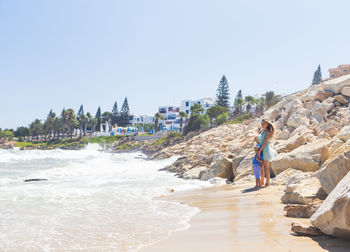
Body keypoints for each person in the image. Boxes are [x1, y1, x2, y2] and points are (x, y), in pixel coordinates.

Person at [256, 119, 277, 186]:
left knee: (266, 167)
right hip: (260, 149)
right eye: (262, 123)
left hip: (265, 150)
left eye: (264, 123)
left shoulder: (267, 132)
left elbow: (265, 143)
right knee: (261, 167)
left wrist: (259, 151)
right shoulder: (262, 131)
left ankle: (267, 183)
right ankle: (262, 182)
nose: (262, 125)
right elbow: (260, 141)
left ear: (267, 124)